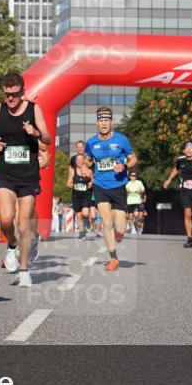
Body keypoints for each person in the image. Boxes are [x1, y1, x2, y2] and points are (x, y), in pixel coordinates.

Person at [0, 72, 51, 287]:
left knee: (23, 226)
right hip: (5, 174)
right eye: (7, 95)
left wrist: (35, 133)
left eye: (14, 95)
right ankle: (11, 246)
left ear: (22, 92)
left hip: (28, 176)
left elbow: (48, 138)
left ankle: (24, 270)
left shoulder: (34, 109)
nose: (10, 99)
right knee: (6, 220)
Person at [85, 106, 137, 270]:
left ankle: (119, 235)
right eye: (101, 121)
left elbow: (133, 158)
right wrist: (87, 165)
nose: (104, 124)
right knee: (106, 223)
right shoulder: (91, 142)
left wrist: (125, 166)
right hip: (100, 186)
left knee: (120, 230)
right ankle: (113, 257)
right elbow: (87, 159)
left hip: (119, 185)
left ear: (112, 122)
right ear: (97, 123)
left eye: (106, 120)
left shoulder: (122, 140)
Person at [163, 141, 192, 248]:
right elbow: (176, 169)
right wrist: (169, 180)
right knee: (187, 213)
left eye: (191, 148)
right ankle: (189, 239)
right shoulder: (180, 160)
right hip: (185, 192)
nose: (189, 150)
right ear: (184, 151)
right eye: (187, 148)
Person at [66, 140, 94, 239]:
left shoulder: (89, 157)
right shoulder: (73, 159)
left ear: (84, 147)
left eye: (81, 147)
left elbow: (91, 168)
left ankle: (87, 220)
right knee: (78, 214)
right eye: (78, 147)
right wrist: (72, 182)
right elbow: (70, 171)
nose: (79, 149)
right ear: (76, 148)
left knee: (85, 213)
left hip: (86, 190)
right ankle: (81, 232)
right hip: (76, 190)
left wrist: (91, 182)